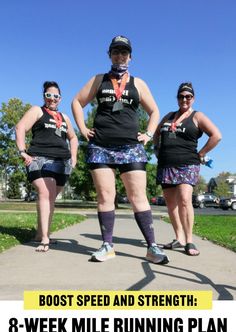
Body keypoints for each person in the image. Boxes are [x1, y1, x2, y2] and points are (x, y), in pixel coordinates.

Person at [72, 35, 169, 264]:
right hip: (101, 147)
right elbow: (77, 101)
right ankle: (107, 246)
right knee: (106, 196)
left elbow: (155, 111)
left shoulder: (138, 83)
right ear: (109, 55)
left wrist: (147, 133)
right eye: (115, 52)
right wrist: (83, 128)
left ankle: (152, 247)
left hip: (131, 147)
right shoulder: (98, 80)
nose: (119, 56)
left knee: (138, 196)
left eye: (124, 52)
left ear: (130, 56)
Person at [154, 82, 222, 256]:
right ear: (177, 98)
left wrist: (201, 153)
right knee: (170, 203)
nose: (184, 99)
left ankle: (189, 240)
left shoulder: (197, 116)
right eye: (181, 96)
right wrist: (156, 149)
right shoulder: (169, 116)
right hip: (166, 163)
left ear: (193, 98)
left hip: (187, 163)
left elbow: (216, 135)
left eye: (188, 96)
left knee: (185, 199)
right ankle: (179, 238)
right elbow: (156, 132)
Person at [15, 81, 78, 252]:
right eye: (48, 95)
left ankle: (41, 233)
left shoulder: (64, 117)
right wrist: (22, 151)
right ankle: (44, 239)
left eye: (55, 96)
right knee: (45, 193)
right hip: (40, 158)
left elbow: (73, 138)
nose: (52, 99)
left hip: (62, 162)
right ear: (44, 96)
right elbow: (20, 127)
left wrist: (73, 156)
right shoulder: (37, 110)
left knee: (48, 198)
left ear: (60, 98)